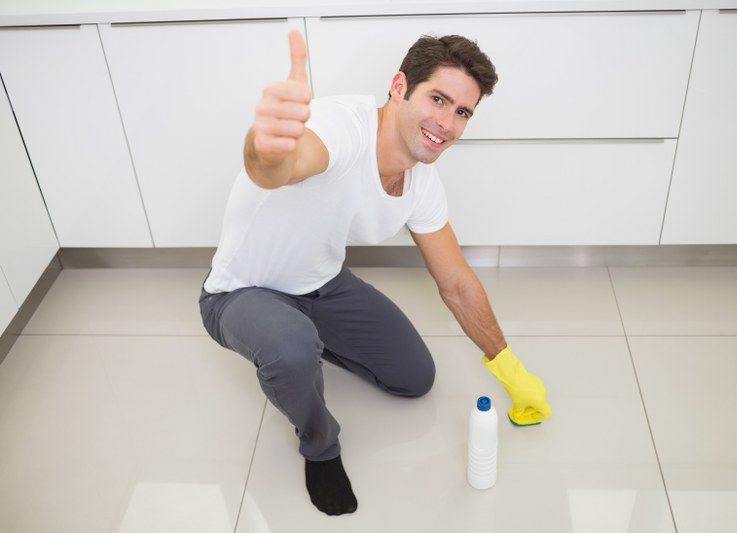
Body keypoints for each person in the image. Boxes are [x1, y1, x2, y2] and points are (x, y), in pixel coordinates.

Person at [198, 29, 552, 516]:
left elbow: (456, 283)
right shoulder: (341, 127)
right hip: (240, 292)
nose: (446, 123)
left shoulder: (421, 182)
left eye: (462, 112)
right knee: (289, 348)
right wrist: (266, 147)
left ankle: (301, 343)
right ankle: (319, 445)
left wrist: (509, 367)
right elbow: (281, 166)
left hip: (320, 285)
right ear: (399, 86)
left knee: (415, 378)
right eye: (438, 99)